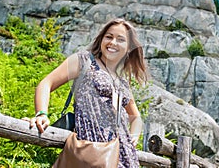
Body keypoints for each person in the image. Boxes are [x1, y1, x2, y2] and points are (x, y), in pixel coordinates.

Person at [29, 18, 148, 167]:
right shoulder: (84, 61)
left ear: (129, 47)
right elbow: (46, 83)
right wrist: (41, 113)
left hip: (123, 153)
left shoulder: (122, 81)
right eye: (109, 37)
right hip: (90, 147)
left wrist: (134, 135)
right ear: (101, 39)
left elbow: (135, 116)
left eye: (121, 39)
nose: (113, 43)